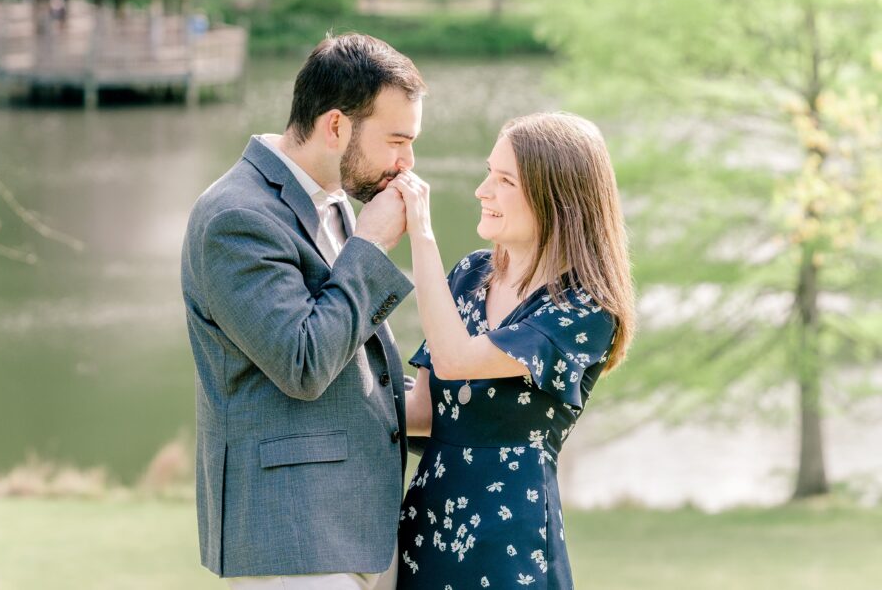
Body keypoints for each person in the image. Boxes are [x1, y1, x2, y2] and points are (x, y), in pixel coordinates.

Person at [181, 33, 427, 589]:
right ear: (336, 126)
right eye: (396, 140)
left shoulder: (334, 198)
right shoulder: (235, 217)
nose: (407, 163)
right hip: (291, 539)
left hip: (358, 527)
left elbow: (352, 357)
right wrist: (371, 248)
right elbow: (303, 363)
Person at [391, 112, 636, 589]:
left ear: (557, 200)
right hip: (427, 530)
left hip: (508, 543)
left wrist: (421, 233)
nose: (483, 190)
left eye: (504, 181)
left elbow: (456, 360)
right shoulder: (468, 275)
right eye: (489, 172)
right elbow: (421, 411)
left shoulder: (585, 310)